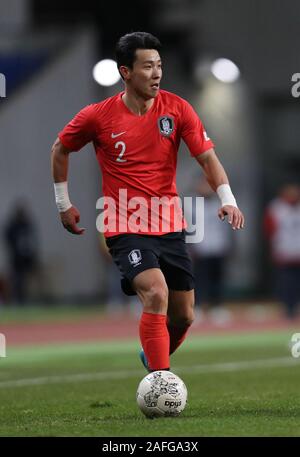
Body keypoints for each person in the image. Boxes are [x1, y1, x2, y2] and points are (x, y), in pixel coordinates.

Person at [51, 32, 244, 372]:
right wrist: (63, 203)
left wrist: (227, 199)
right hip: (124, 224)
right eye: (147, 67)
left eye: (159, 66)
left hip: (169, 224)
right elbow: (60, 148)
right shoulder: (98, 116)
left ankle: (153, 354)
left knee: (183, 316)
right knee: (156, 293)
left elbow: (208, 159)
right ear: (126, 72)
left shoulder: (178, 108)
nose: (156, 73)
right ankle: (160, 380)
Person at [188, 177, 233, 324]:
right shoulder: (192, 206)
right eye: (203, 185)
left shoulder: (220, 204)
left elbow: (227, 228)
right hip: (200, 249)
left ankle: (217, 307)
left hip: (218, 247)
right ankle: (199, 306)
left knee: (217, 279)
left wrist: (229, 245)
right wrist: (190, 248)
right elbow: (187, 229)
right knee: (200, 279)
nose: (206, 189)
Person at [264, 184, 300, 319]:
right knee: (286, 282)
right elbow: (269, 229)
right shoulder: (276, 208)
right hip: (284, 250)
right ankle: (288, 308)